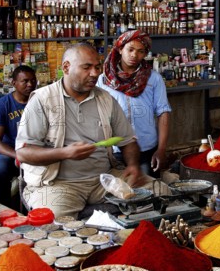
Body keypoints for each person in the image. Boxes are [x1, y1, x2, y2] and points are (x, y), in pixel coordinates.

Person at [15, 43, 143, 218]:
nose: (95, 73)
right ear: (66, 67)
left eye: (98, 67)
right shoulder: (42, 100)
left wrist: (133, 165)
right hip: (58, 184)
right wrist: (65, 153)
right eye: (87, 67)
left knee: (157, 192)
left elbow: (127, 141)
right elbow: (23, 153)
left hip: (103, 180)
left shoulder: (106, 99)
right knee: (55, 219)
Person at [97, 30, 171, 178]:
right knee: (119, 194)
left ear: (145, 54)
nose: (134, 55)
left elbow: (163, 112)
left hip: (147, 148)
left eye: (140, 51)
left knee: (148, 192)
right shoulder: (104, 80)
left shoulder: (153, 79)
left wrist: (161, 149)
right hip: (116, 149)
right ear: (120, 49)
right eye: (130, 49)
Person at [0, 65, 37, 211]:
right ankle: (5, 210)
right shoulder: (2, 105)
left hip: (37, 149)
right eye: (25, 81)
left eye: (33, 81)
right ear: (14, 83)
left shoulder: (40, 101)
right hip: (11, 152)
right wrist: (18, 155)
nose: (30, 85)